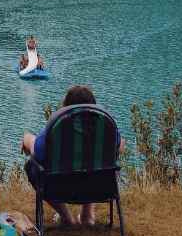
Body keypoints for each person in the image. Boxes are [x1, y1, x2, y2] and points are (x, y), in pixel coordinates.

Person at [21, 85, 124, 227]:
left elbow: (38, 153)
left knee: (31, 165)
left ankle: (67, 217)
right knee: (94, 164)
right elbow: (119, 146)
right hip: (99, 186)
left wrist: (27, 139)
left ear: (65, 107)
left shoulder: (58, 127)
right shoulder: (105, 126)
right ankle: (87, 215)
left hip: (58, 188)